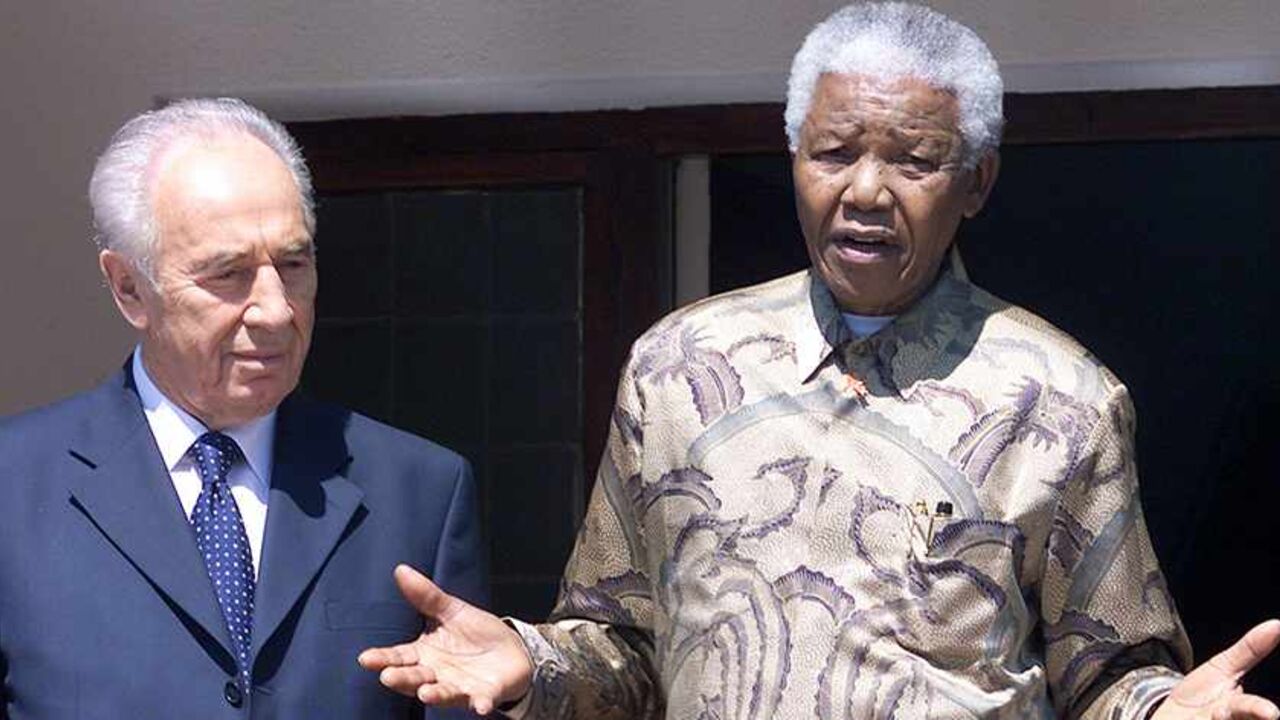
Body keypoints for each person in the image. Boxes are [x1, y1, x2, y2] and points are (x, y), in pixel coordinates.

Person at [358, 3, 1280, 718]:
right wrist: (534, 665)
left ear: (978, 181)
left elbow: (1108, 680)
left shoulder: (1062, 401)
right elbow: (623, 654)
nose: (866, 192)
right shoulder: (679, 369)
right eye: (833, 153)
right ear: (793, 154)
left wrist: (1162, 705)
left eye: (914, 160)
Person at [0, 98, 485, 718]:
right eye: (227, 275)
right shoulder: (16, 489)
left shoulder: (420, 492)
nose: (276, 310)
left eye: (293, 264)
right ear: (129, 288)